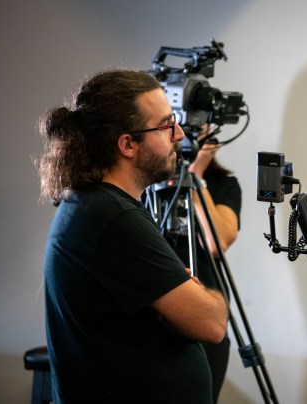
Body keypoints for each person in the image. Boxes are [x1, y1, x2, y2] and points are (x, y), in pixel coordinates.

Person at [36, 69, 228, 403]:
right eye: (166, 125)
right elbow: (211, 323)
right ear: (127, 144)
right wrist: (196, 297)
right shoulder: (112, 217)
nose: (180, 134)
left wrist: (182, 301)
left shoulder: (95, 204)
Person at [163, 124, 242, 403]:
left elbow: (217, 243)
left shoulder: (224, 185)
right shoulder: (152, 182)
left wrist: (195, 177)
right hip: (158, 317)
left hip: (204, 313)